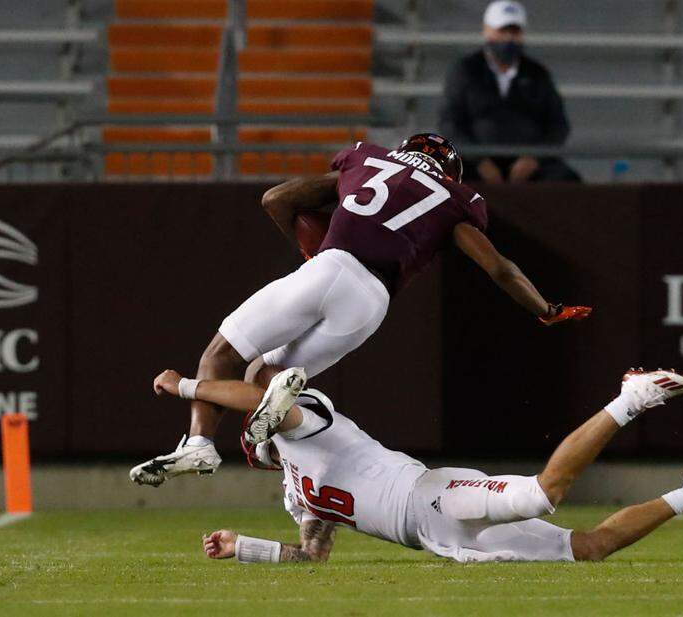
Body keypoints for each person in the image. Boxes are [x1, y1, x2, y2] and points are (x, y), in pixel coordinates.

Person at [130, 133, 592, 487]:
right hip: (372, 303)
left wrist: (312, 248)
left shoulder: (368, 158)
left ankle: (200, 444)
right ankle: (270, 442)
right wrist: (545, 308)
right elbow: (502, 269)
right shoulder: (456, 199)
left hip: (335, 265)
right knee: (266, 377)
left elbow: (276, 198)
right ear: (449, 171)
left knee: (222, 354)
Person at [148, 364, 683, 563]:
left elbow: (262, 400)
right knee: (588, 549)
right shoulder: (296, 489)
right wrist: (243, 547)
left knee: (542, 494)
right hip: (437, 540)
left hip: (430, 496)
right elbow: (312, 556)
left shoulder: (307, 422)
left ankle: (631, 396)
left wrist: (184, 388)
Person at [439, 0, 580, 183]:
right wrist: (479, 160)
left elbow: (557, 125)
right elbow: (450, 123)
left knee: (565, 180)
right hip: (474, 163)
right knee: (449, 180)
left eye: (514, 32)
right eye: (502, 31)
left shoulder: (537, 74)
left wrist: (534, 158)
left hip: (531, 165)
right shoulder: (466, 71)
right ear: (487, 31)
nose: (508, 39)